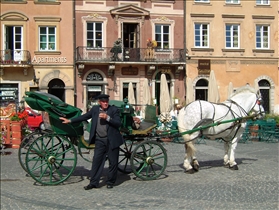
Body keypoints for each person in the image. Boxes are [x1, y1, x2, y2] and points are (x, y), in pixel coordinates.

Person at [60, 94, 124, 190]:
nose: (105, 103)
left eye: (106, 101)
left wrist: (107, 118)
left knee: (113, 162)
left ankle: (110, 182)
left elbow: (118, 123)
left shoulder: (113, 110)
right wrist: (70, 121)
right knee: (96, 161)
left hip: (111, 140)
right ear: (99, 102)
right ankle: (93, 182)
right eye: (103, 102)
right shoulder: (95, 109)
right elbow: (84, 117)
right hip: (99, 140)